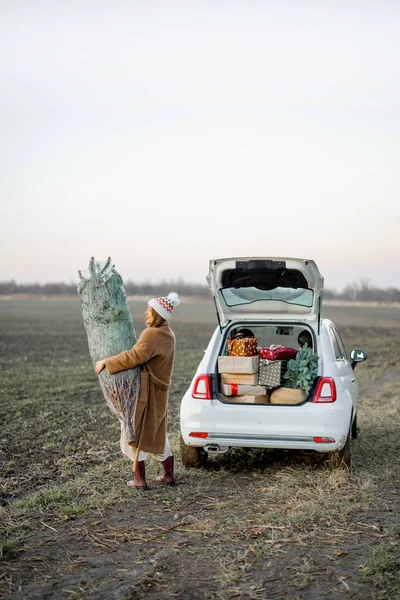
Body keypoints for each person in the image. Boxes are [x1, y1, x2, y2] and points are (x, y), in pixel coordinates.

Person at [95, 292, 180, 490]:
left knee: (135, 431)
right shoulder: (168, 333)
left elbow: (134, 356)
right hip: (159, 391)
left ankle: (139, 480)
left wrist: (108, 362)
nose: (145, 313)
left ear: (158, 315)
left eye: (149, 310)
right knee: (157, 432)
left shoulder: (152, 334)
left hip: (146, 392)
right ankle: (168, 475)